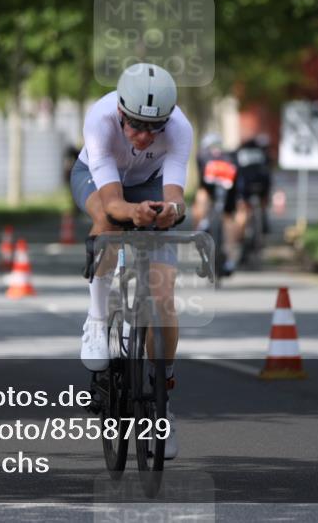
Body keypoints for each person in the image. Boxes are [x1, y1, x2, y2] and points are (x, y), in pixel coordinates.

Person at [69, 62, 191, 459]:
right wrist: (132, 213)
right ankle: (98, 318)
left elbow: (176, 193)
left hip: (150, 183)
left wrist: (171, 210)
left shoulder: (179, 130)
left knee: (164, 296)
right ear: (120, 112)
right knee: (108, 222)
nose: (142, 136)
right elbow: (113, 202)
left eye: (153, 129)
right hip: (97, 179)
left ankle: (162, 400)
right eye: (135, 125)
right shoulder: (100, 121)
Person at [192, 132, 240, 276]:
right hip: (227, 192)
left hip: (213, 191)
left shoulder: (202, 155)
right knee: (228, 221)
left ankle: (201, 227)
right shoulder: (229, 157)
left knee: (201, 198)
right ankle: (230, 259)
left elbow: (202, 182)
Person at [234, 133, 274, 241]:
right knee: (263, 201)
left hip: (245, 186)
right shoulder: (263, 153)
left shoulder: (240, 152)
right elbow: (269, 169)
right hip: (262, 185)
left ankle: (239, 238)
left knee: (242, 209)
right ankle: (263, 220)